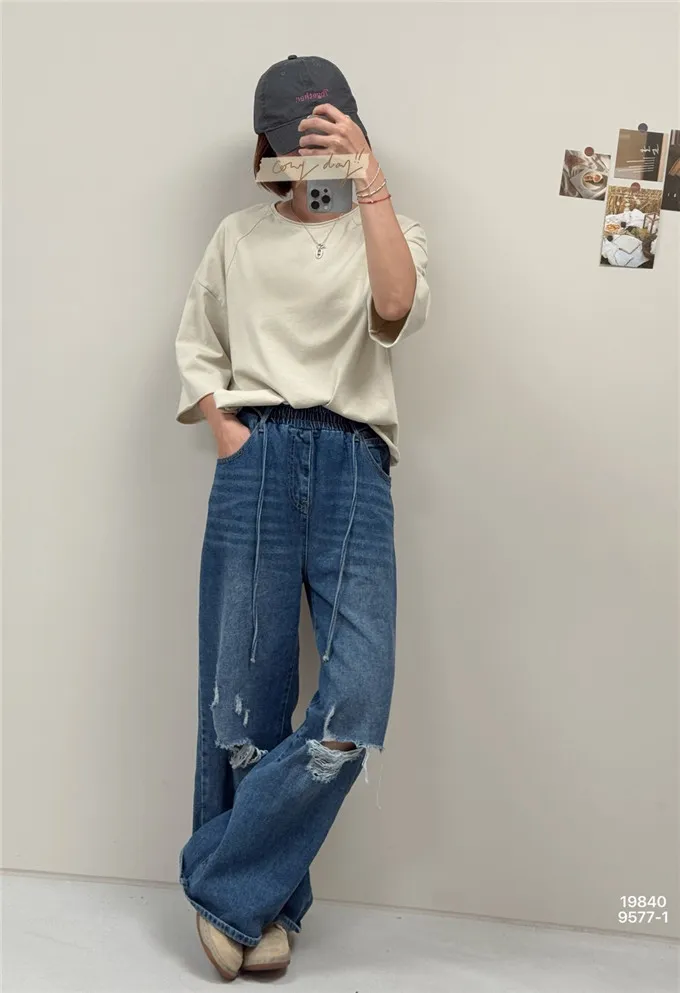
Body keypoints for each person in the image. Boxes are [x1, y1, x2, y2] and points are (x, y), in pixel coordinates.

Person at [174, 55, 431, 981]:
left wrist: (370, 177)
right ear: (266, 146)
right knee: (242, 693)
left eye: (326, 136)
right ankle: (267, 903)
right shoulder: (237, 237)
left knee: (355, 699)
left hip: (355, 458)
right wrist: (226, 430)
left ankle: (222, 882)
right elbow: (197, 344)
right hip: (258, 455)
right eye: (292, 141)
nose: (306, 156)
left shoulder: (390, 230)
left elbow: (395, 308)